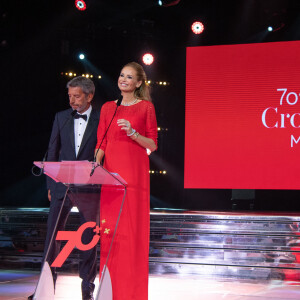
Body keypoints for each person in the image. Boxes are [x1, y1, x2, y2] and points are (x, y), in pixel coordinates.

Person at [29, 76, 100, 300]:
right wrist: (51, 184)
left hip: (90, 188)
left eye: (77, 96)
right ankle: (45, 287)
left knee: (89, 237)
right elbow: (52, 152)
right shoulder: (61, 118)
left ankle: (87, 286)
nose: (72, 101)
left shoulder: (101, 118)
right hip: (62, 186)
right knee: (52, 237)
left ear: (90, 96)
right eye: (70, 96)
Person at [95, 62, 158, 300]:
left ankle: (131, 292)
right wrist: (95, 164)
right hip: (110, 177)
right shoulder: (107, 108)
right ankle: (109, 291)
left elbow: (152, 144)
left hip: (134, 176)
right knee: (111, 233)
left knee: (131, 233)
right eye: (122, 75)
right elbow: (102, 141)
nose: (123, 79)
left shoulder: (146, 107)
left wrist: (133, 133)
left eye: (129, 77)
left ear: (139, 83)